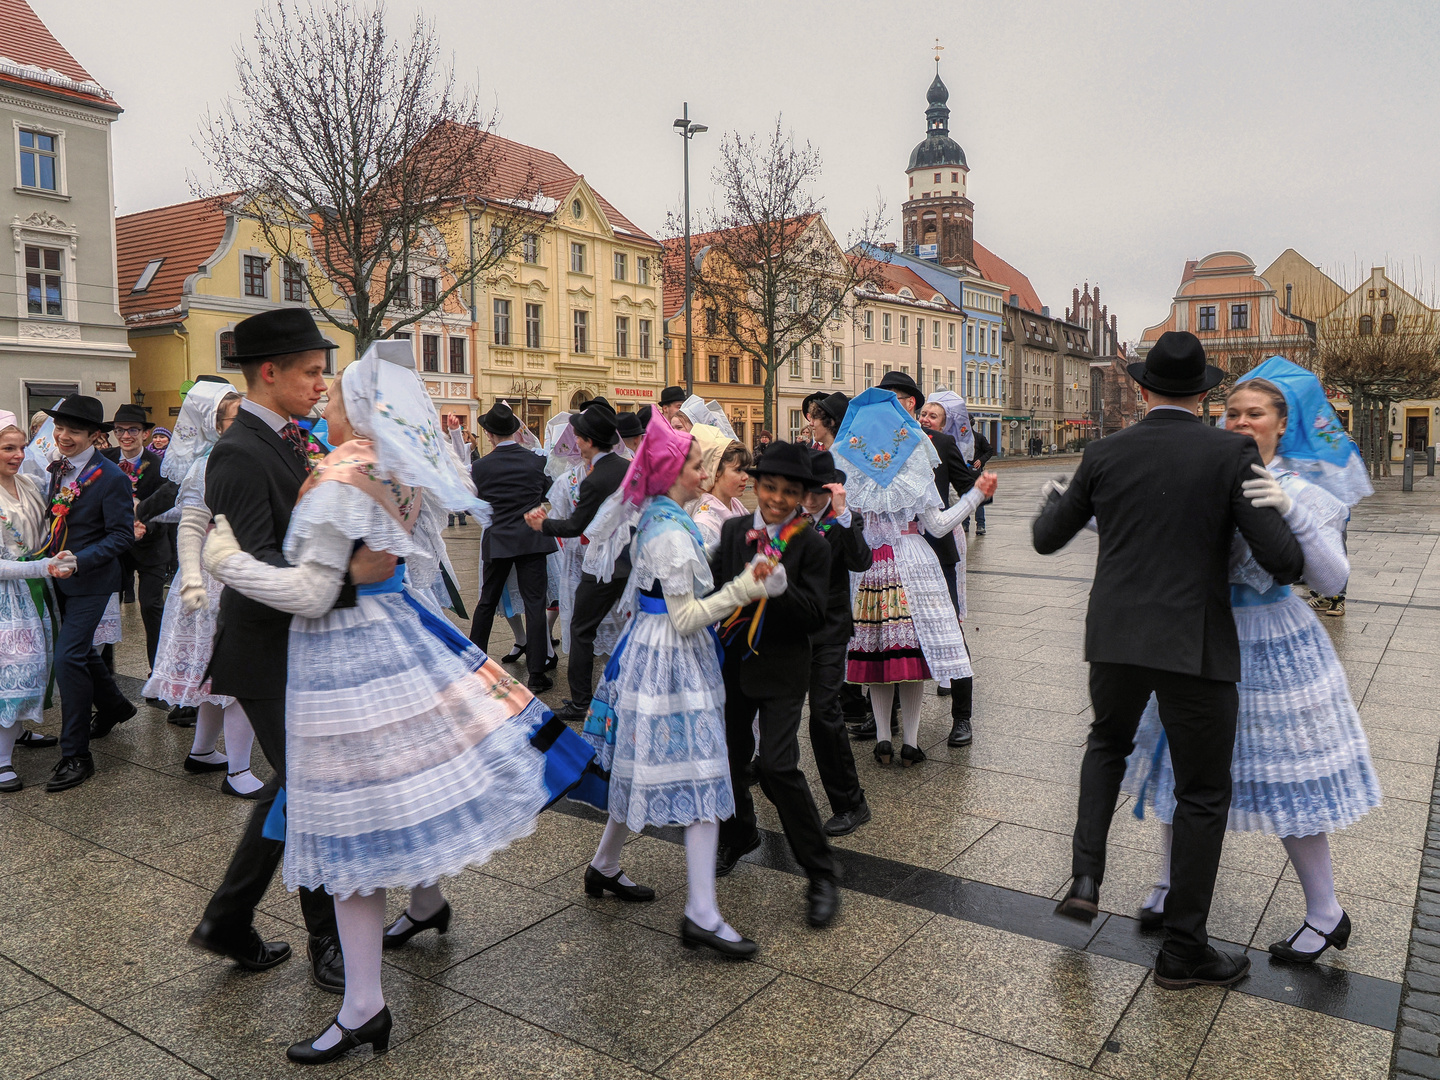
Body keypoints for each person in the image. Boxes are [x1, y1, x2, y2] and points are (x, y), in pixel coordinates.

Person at [203, 342, 550, 1063]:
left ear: (359, 410)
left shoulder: (340, 476)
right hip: (384, 643)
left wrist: (224, 559)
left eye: (335, 395)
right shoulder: (391, 470)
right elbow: (383, 564)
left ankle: (365, 1002)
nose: (324, 398)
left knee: (349, 835)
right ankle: (389, 960)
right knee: (370, 821)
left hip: (344, 661)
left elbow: (307, 591)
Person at [1033, 330, 1305, 992]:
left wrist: (1056, 500)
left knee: (1106, 743)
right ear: (1207, 393)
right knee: (1202, 792)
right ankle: (1183, 949)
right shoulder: (1232, 451)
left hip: (1116, 638)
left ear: (1141, 387)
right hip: (1195, 644)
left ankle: (1088, 876)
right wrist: (1280, 503)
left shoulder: (1104, 451)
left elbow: (1047, 540)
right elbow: (1286, 563)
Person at [1122, 363, 1380, 964]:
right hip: (1198, 636)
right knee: (1179, 769)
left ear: (1281, 425)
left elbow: (1332, 577)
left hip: (1272, 639)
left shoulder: (1310, 491)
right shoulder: (1203, 472)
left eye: (1253, 413)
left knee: (1289, 777)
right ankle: (1168, 886)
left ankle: (1326, 911)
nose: (1239, 421)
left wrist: (1286, 506)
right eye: (1230, 412)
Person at [189, 309, 389, 991]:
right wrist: (349, 578)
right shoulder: (239, 451)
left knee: (297, 785)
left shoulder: (287, 439)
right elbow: (269, 566)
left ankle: (228, 917)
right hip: (266, 651)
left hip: (298, 647)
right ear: (268, 373)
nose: (320, 383)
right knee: (315, 793)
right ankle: (327, 940)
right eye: (310, 371)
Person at [578, 418, 771, 956]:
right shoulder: (667, 530)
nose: (702, 470)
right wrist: (744, 587)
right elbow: (686, 617)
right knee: (702, 775)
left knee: (643, 763)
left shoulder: (668, 517)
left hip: (657, 652)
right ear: (670, 473)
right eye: (692, 463)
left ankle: (604, 865)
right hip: (671, 659)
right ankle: (701, 913)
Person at [712, 441, 840, 928]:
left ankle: (821, 872)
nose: (778, 499)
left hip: (785, 668)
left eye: (790, 491)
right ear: (757, 485)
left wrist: (779, 585)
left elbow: (814, 616)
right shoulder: (733, 531)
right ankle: (740, 833)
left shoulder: (812, 543)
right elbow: (719, 593)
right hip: (733, 663)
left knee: (778, 766)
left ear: (802, 495)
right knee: (729, 757)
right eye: (770, 487)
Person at [837, 387, 996, 766]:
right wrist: (974, 496)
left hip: (871, 571)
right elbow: (939, 526)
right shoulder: (913, 465)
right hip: (914, 567)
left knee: (878, 659)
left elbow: (841, 523)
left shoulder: (849, 469)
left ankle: (881, 738)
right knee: (911, 660)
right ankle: (910, 741)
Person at [140, 380, 261, 797]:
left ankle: (203, 751)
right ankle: (240, 772)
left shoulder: (222, 457)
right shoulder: (213, 461)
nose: (245, 420)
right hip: (218, 575)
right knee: (242, 672)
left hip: (222, 567)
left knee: (216, 673)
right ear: (216, 423)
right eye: (235, 416)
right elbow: (194, 516)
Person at [861, 372, 978, 747]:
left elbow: (964, 485)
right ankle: (891, 726)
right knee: (893, 643)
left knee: (949, 634)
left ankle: (962, 717)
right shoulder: (871, 449)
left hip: (931, 555)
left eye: (893, 396)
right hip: (898, 554)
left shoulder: (939, 443)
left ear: (909, 401)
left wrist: (976, 495)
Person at [39, 396, 138, 792]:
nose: (63, 437)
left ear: (95, 436)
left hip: (92, 580)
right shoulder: (57, 469)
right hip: (57, 578)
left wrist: (80, 560)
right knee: (77, 651)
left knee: (68, 658)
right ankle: (115, 706)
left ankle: (75, 754)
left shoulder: (110, 476)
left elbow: (121, 535)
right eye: (60, 429)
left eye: (74, 432)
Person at [525, 400, 630, 721]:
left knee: (582, 631)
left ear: (587, 441)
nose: (576, 441)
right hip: (627, 561)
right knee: (626, 629)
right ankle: (626, 692)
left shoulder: (595, 479)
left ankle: (581, 702)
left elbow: (574, 526)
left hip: (601, 565)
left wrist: (542, 524)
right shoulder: (626, 467)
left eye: (579, 436)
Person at [0, 421, 74, 792]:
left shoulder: (28, 484)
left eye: (21, 447)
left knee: (34, 668)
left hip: (35, 589)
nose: (18, 455)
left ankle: (16, 733)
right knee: (11, 673)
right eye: (8, 448)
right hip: (6, 599)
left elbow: (47, 530)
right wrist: (40, 566)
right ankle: (0, 761)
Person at [801, 448, 872, 836]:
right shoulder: (790, 520)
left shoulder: (844, 520)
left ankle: (850, 803)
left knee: (825, 714)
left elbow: (861, 561)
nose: (810, 499)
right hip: (793, 632)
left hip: (830, 632)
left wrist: (843, 514)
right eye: (804, 491)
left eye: (819, 491)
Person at [469, 401, 557, 693]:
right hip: (532, 538)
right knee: (535, 604)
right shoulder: (535, 461)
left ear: (490, 435)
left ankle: (474, 664)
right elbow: (548, 492)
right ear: (517, 431)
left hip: (498, 540)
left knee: (486, 603)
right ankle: (536, 672)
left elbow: (473, 507)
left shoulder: (480, 467)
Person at [103, 403, 172, 672]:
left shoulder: (160, 466)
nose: (126, 436)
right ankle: (106, 673)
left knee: (152, 607)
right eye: (120, 430)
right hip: (115, 547)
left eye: (133, 430)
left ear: (145, 433)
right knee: (108, 608)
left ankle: (158, 672)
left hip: (151, 546)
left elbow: (168, 505)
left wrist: (146, 525)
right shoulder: (104, 460)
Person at [685, 423, 750, 556]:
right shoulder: (705, 523)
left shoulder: (736, 506)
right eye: (738, 470)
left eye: (745, 470)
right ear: (717, 472)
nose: (746, 477)